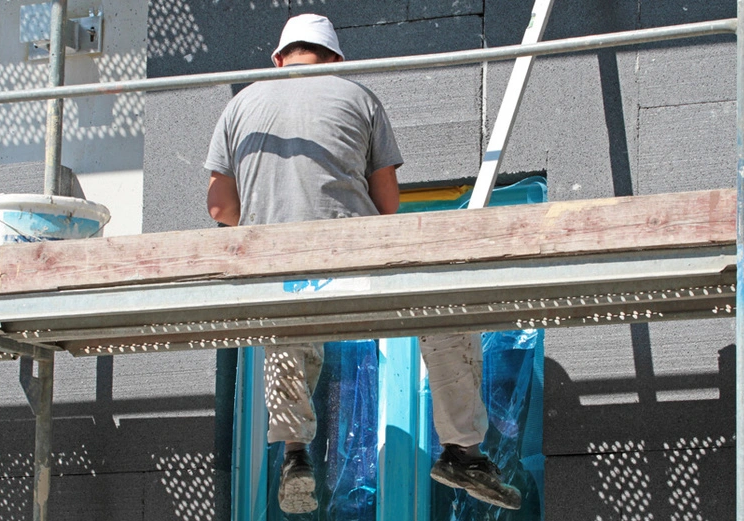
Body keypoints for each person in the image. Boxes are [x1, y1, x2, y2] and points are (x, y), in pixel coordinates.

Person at [205, 13, 522, 514]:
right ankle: (463, 451)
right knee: (444, 316)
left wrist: (275, 218)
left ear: (278, 58)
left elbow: (220, 209)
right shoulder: (358, 98)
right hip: (354, 266)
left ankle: (294, 454)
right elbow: (388, 204)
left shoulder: (238, 107)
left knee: (285, 325)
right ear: (335, 62)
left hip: (275, 273)